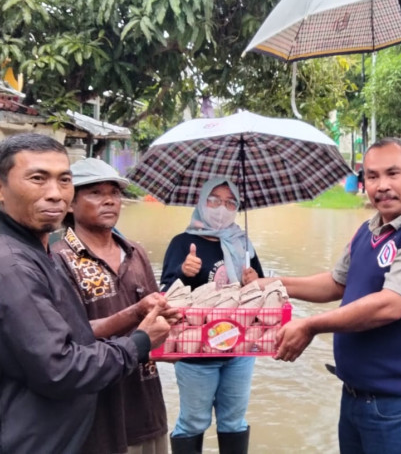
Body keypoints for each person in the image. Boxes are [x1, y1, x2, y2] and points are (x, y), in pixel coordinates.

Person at [266, 137, 401, 454]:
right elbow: (335, 284)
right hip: (356, 396)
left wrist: (311, 325)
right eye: (372, 176)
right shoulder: (368, 230)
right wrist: (273, 284)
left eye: (393, 173)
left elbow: (391, 305)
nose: (382, 185)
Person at [0, 133, 171, 454]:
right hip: (53, 431)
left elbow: (69, 336)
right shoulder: (19, 264)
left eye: (63, 180)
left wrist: (141, 316)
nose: (54, 194)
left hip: (127, 403)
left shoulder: (132, 251)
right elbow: (60, 367)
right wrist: (139, 342)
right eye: (37, 179)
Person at [51, 158, 179, 454]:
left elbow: (156, 320)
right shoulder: (58, 259)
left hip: (147, 403)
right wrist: (134, 313)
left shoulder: (135, 252)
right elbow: (72, 336)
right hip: (97, 409)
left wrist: (176, 342)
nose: (109, 200)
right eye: (95, 193)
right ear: (70, 204)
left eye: (114, 192)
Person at [160, 177, 263, 454]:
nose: (222, 207)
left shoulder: (243, 245)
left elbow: (261, 295)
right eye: (214, 199)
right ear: (201, 201)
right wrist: (184, 272)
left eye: (231, 202)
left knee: (233, 421)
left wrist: (252, 280)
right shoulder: (182, 243)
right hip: (195, 351)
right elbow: (165, 296)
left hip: (238, 350)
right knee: (193, 422)